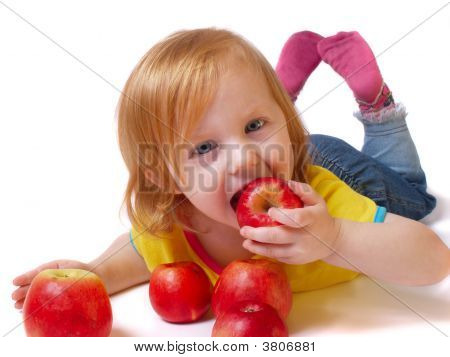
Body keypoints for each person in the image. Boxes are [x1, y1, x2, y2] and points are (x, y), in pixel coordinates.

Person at [12, 28, 449, 311]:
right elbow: (138, 251)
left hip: (327, 161)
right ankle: (269, 105)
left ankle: (379, 110)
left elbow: (434, 260)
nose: (243, 158)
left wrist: (335, 237)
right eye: (204, 146)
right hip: (289, 146)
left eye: (253, 126)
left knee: (414, 197)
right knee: (260, 134)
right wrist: (95, 273)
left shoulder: (323, 201)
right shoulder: (175, 223)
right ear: (166, 179)